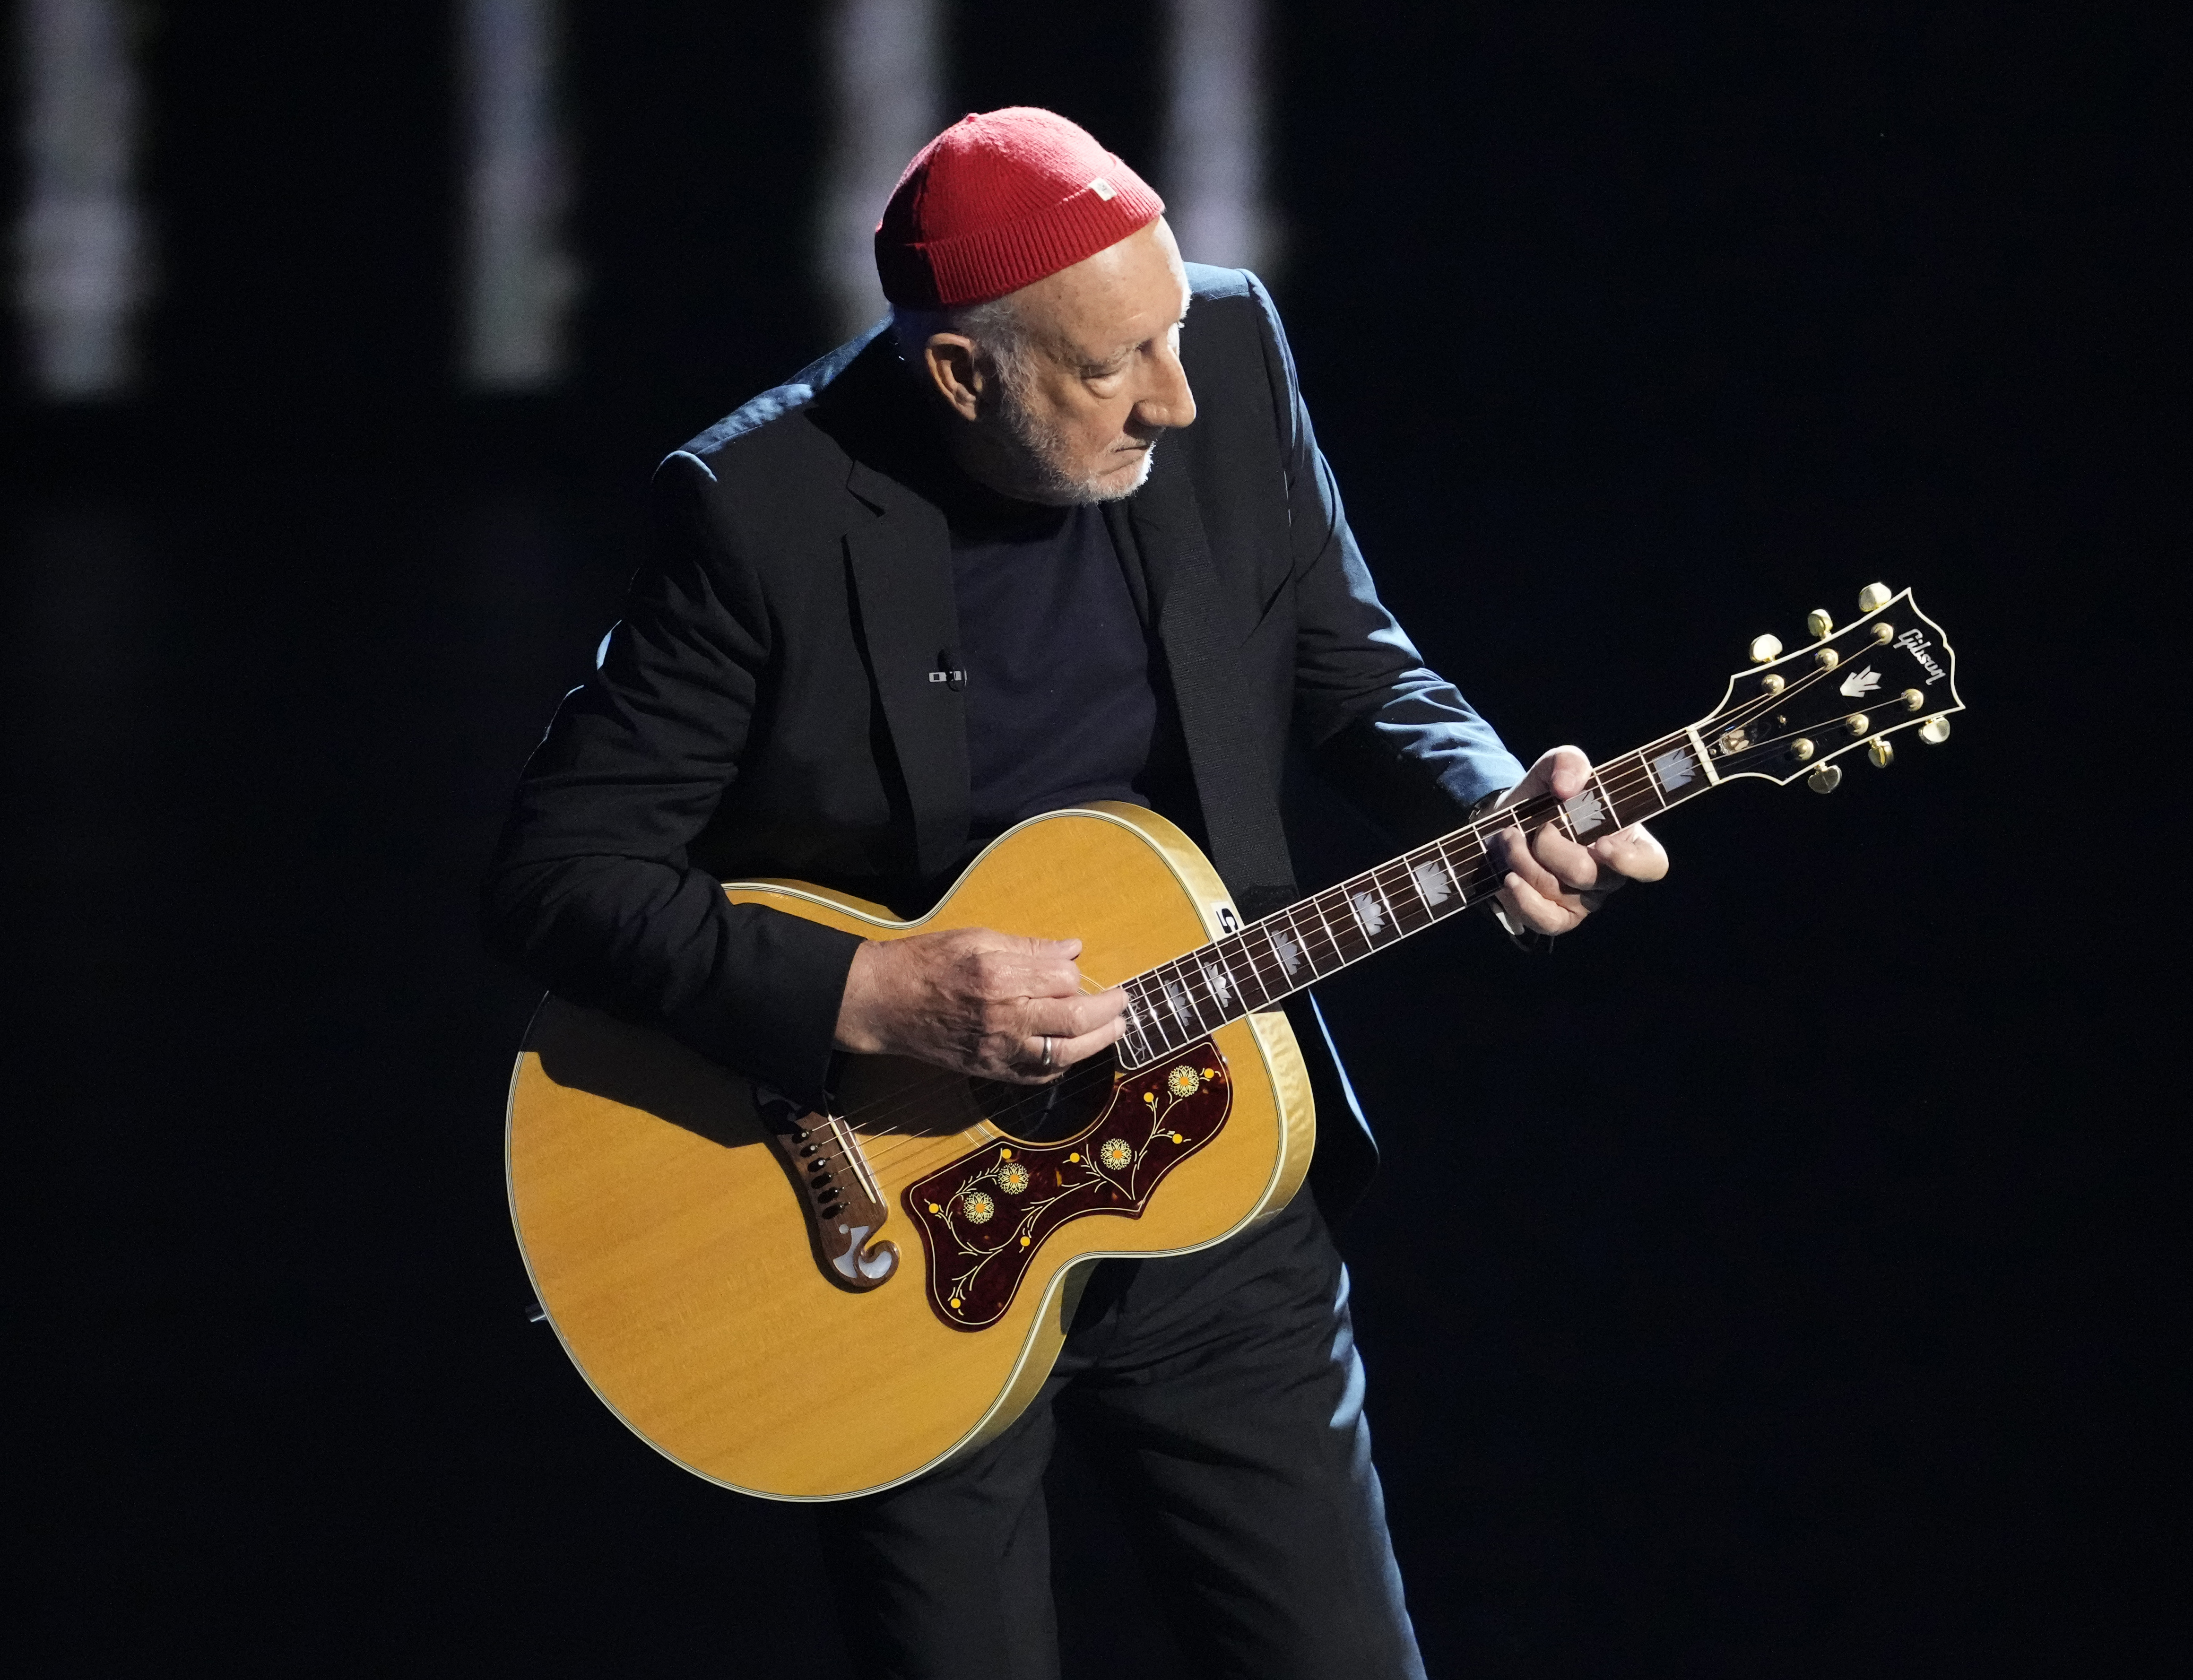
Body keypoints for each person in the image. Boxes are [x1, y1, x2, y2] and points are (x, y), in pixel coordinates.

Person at [484, 107, 1666, 1679]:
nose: (1175, 396)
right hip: (889, 1230)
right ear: (962, 373)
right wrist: (871, 995)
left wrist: (1487, 798)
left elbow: (1347, 660)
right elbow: (559, 876)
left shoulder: (1227, 352)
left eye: (1172, 330)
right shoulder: (758, 507)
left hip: (1216, 1183)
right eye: (1115, 366)